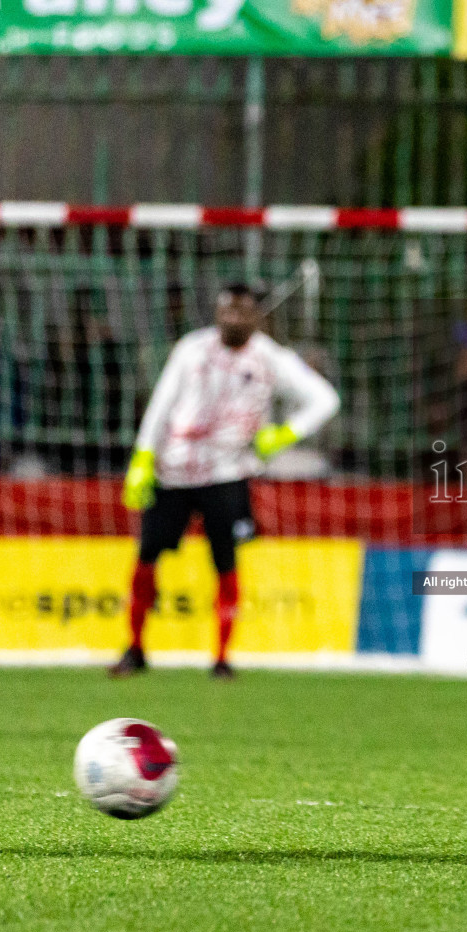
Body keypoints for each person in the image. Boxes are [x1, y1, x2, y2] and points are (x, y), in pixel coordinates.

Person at [111, 282, 340, 679]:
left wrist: (285, 434)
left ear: (256, 317)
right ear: (217, 313)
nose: (233, 318)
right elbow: (161, 404)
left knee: (225, 561)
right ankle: (134, 648)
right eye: (226, 310)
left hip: (227, 472)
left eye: (242, 312)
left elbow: (325, 399)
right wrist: (143, 457)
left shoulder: (271, 358)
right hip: (174, 470)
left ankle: (221, 656)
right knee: (147, 557)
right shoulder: (191, 348)